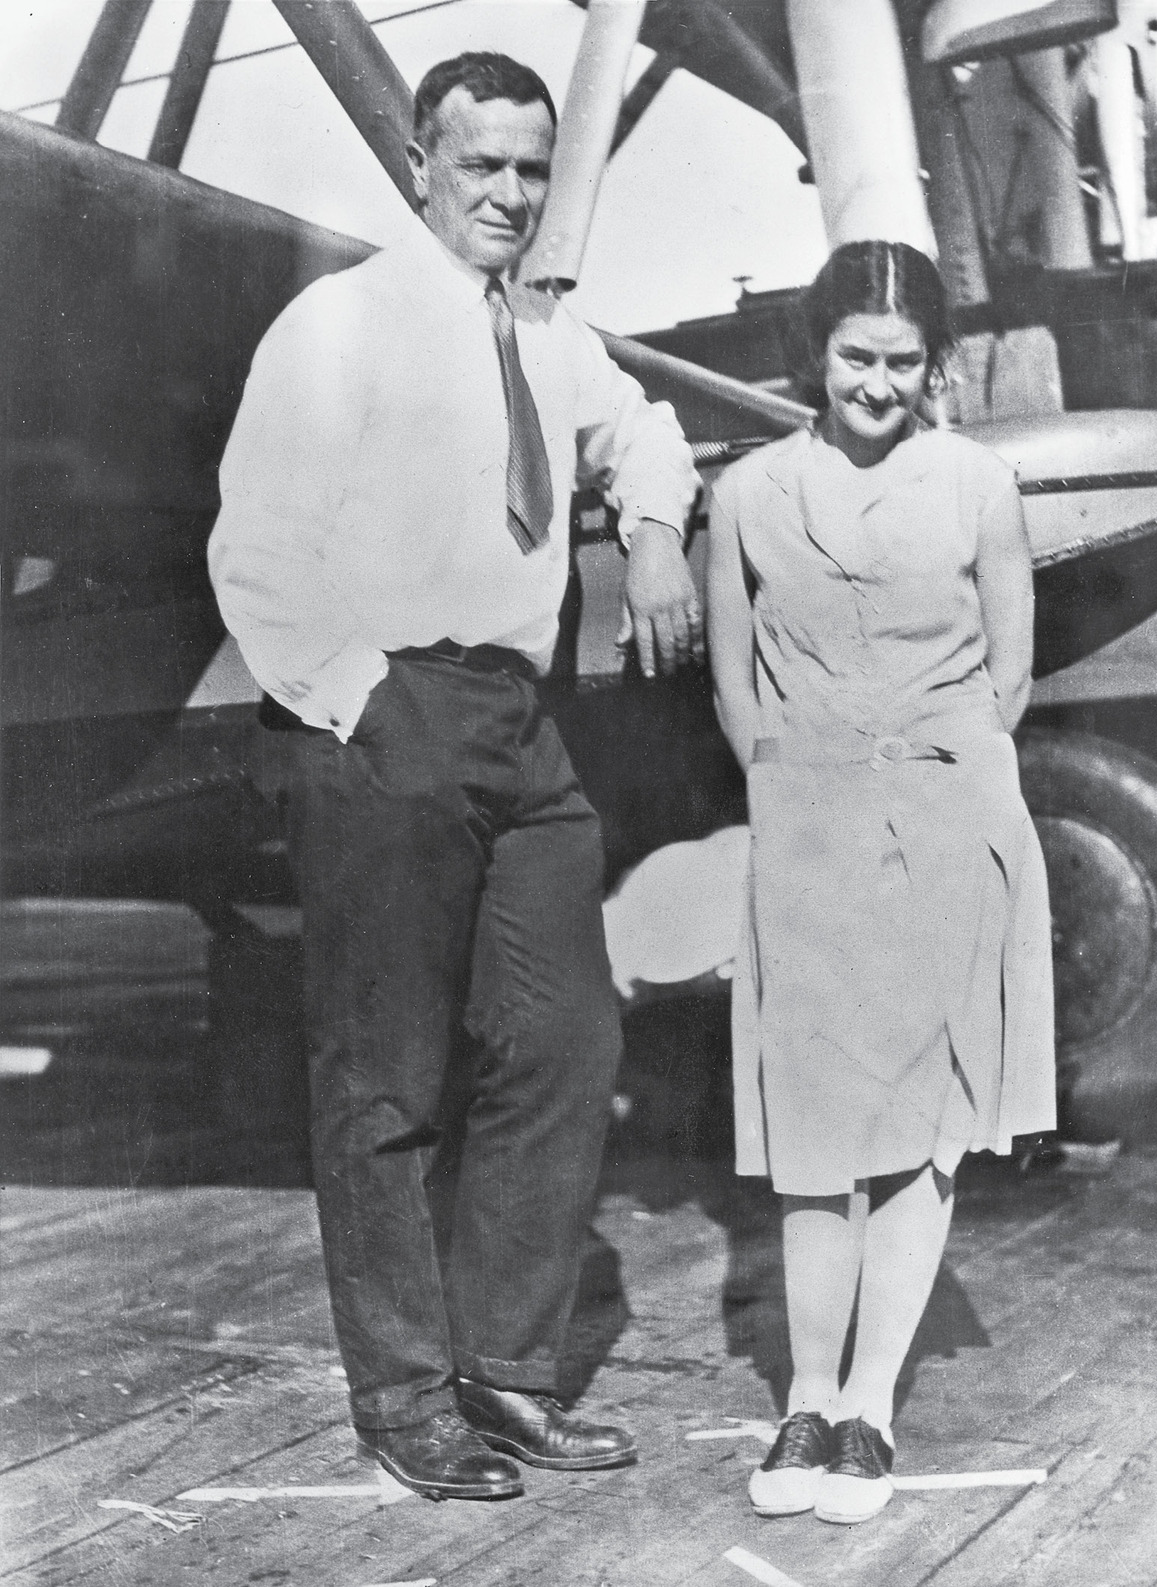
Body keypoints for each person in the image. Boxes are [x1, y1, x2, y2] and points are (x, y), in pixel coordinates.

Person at [208, 52, 701, 1501]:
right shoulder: (336, 324)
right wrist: (367, 709)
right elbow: (253, 552)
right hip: (384, 712)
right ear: (421, 165)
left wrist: (657, 525)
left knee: (562, 1044)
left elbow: (645, 430)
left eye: (529, 170)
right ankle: (405, 1395)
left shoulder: (545, 335)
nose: (506, 194)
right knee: (386, 1077)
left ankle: (505, 1367)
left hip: (519, 724)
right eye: (479, 164)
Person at [705, 240, 1055, 1526]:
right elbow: (733, 685)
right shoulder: (747, 494)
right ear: (814, 352)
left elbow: (1007, 677)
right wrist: (803, 782)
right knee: (812, 1133)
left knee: (923, 1128)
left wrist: (928, 770)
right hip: (806, 826)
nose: (876, 383)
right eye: (854, 356)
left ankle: (867, 1409)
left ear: (934, 366)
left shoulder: (977, 484)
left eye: (902, 362)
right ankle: (801, 1393)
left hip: (950, 818)